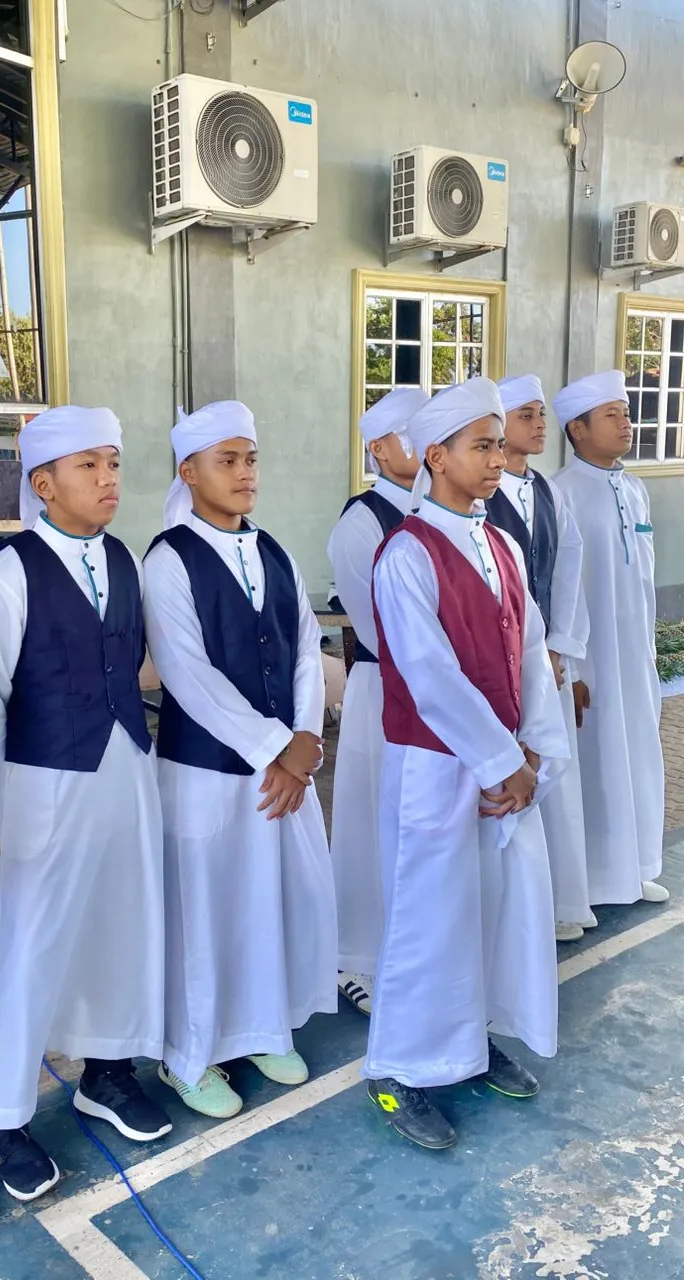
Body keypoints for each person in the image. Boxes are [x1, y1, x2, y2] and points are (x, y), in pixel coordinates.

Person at [364, 378, 568, 1150]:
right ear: (436, 457)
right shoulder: (406, 553)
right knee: (429, 920)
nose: (496, 460)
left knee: (488, 911)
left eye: (497, 446)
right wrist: (501, 761)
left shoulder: (502, 545)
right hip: (436, 768)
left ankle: (468, 1045)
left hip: (503, 769)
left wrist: (536, 752)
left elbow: (530, 657)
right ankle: (396, 1070)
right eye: (481, 447)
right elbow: (431, 675)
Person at [0, 406, 169, 1203]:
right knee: (34, 943)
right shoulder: (9, 573)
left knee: (122, 923)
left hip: (126, 769)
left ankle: (108, 1072)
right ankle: (4, 1118)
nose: (108, 478)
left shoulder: (123, 558)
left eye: (113, 462)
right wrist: (6, 795)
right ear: (44, 483)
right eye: (89, 466)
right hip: (46, 779)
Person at [142, 402, 338, 1120]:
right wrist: (277, 747)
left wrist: (305, 741)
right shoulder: (168, 558)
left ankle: (259, 1030)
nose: (245, 472)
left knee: (267, 905)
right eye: (227, 460)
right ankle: (188, 1056)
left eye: (250, 458)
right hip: (204, 775)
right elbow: (186, 673)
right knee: (206, 915)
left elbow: (306, 651)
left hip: (283, 770)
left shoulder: (274, 551)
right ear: (189, 471)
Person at [326, 387, 428, 1013]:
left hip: (435, 697)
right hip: (385, 687)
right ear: (378, 450)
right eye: (408, 433)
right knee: (371, 820)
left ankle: (412, 948)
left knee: (418, 825)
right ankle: (356, 956)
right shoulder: (362, 522)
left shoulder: (442, 510)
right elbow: (378, 627)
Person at [485, 375, 594, 942]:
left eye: (540, 413)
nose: (539, 423)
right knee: (513, 775)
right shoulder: (481, 494)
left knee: (554, 774)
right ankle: (515, 913)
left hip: (546, 659)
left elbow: (569, 561)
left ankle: (559, 900)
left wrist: (558, 646)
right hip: (503, 665)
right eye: (525, 414)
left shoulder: (547, 490)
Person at [552, 371, 667, 907]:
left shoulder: (635, 490)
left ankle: (637, 866)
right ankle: (596, 881)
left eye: (626, 413)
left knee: (639, 755)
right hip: (592, 661)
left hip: (635, 657)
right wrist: (572, 670)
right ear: (577, 429)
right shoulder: (561, 493)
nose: (627, 423)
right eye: (612, 415)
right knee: (596, 764)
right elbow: (560, 590)